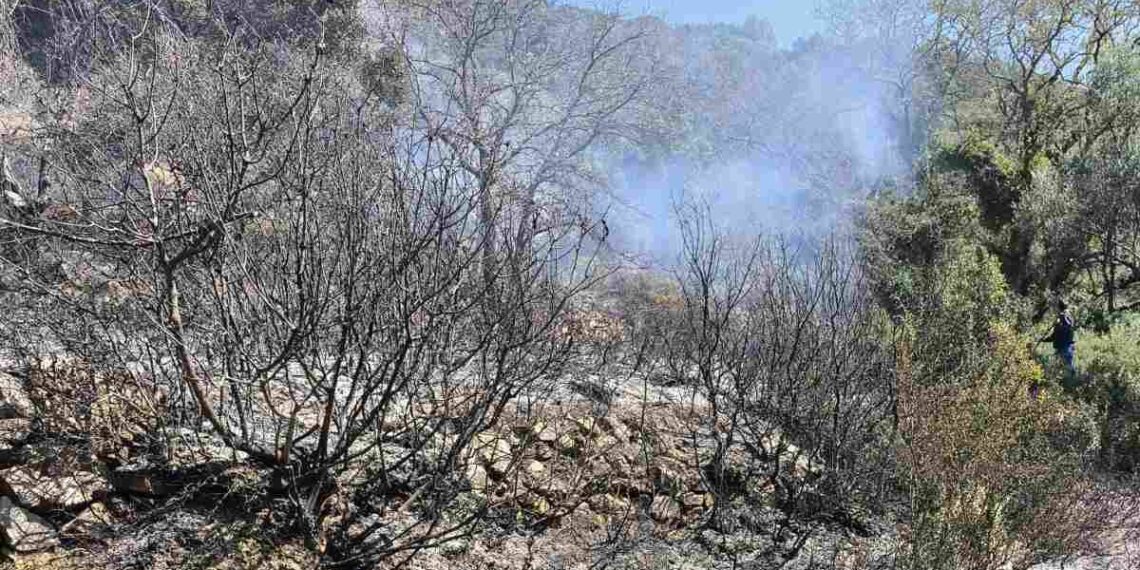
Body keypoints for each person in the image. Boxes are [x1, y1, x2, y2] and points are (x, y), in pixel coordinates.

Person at [1039, 299, 1076, 375]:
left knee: (1068, 366)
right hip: (1060, 348)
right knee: (1057, 366)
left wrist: (1062, 316)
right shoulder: (1059, 322)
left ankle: (1073, 379)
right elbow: (1053, 337)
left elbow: (1068, 325)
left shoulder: (1066, 316)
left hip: (1066, 347)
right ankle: (1061, 380)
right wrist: (1044, 340)